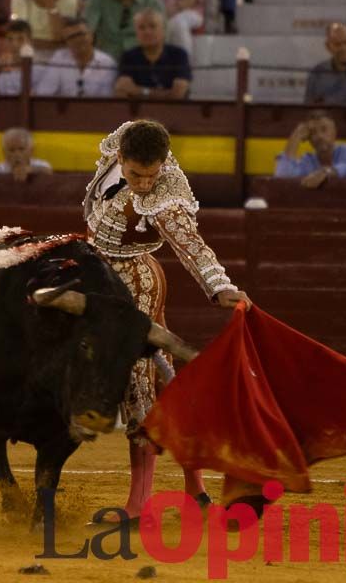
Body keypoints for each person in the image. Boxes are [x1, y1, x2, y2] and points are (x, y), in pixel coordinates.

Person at [82, 119, 250, 517]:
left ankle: (139, 506)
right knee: (165, 381)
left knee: (140, 386)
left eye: (151, 175)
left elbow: (191, 245)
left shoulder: (167, 193)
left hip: (132, 283)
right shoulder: (118, 142)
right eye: (136, 174)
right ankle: (195, 488)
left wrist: (218, 286)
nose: (143, 184)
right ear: (121, 156)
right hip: (97, 269)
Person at [274, 110, 346, 188]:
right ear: (308, 138)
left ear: (335, 131)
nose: (319, 136)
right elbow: (282, 178)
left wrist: (326, 172)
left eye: (324, 129)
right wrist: (296, 137)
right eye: (313, 132)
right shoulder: (307, 161)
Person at [114, 9, 192, 99]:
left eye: (152, 26)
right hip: (138, 112)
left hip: (173, 111)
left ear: (163, 31)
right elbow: (121, 92)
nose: (147, 32)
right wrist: (165, 93)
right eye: (141, 28)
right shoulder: (128, 56)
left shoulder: (179, 55)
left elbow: (178, 95)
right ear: (136, 34)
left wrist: (139, 91)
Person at [35, 17, 119, 97]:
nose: (77, 40)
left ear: (91, 36)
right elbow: (44, 93)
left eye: (81, 34)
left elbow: (107, 100)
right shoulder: (59, 58)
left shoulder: (108, 63)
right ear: (66, 43)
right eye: (71, 37)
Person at [0, 127, 53, 192]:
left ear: (31, 151)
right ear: (4, 153)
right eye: (11, 150)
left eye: (21, 149)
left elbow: (47, 170)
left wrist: (29, 169)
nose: (17, 154)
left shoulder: (40, 164)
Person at [0, 20, 34, 96]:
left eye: (20, 39)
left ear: (30, 41)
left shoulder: (38, 68)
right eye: (10, 39)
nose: (15, 44)